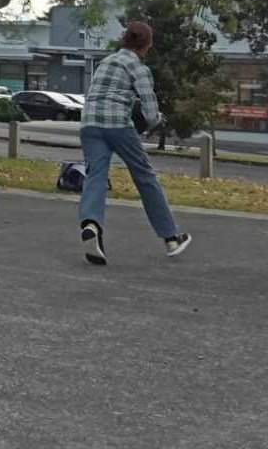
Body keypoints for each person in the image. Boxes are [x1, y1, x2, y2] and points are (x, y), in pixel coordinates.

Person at [77, 21, 191, 266]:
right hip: (117, 124)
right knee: (144, 176)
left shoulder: (105, 62)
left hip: (89, 123)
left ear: (124, 40)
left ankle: (91, 224)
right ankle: (171, 237)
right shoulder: (138, 68)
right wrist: (158, 119)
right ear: (147, 45)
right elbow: (150, 115)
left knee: (95, 174)